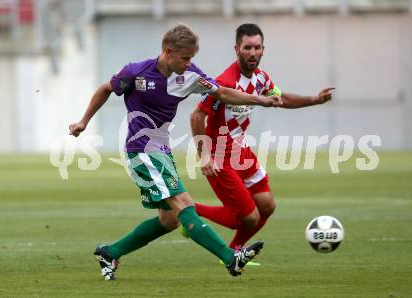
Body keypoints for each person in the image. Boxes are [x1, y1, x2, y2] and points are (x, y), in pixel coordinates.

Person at [69, 24, 282, 281]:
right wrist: (83, 121)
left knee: (169, 219)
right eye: (185, 58)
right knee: (184, 205)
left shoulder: (190, 75)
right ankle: (229, 258)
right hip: (141, 151)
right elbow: (106, 89)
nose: (189, 63)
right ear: (168, 51)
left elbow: (223, 93)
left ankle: (110, 252)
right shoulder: (136, 73)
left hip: (162, 151)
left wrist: (261, 99)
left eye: (192, 58)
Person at [190, 23, 334, 264]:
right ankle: (188, 212)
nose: (252, 52)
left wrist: (315, 100)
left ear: (263, 49)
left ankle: (235, 249)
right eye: (247, 47)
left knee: (266, 206)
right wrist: (204, 156)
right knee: (247, 218)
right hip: (219, 156)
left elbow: (281, 98)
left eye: (257, 47)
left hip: (241, 152)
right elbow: (197, 116)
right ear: (237, 49)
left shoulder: (260, 79)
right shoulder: (224, 83)